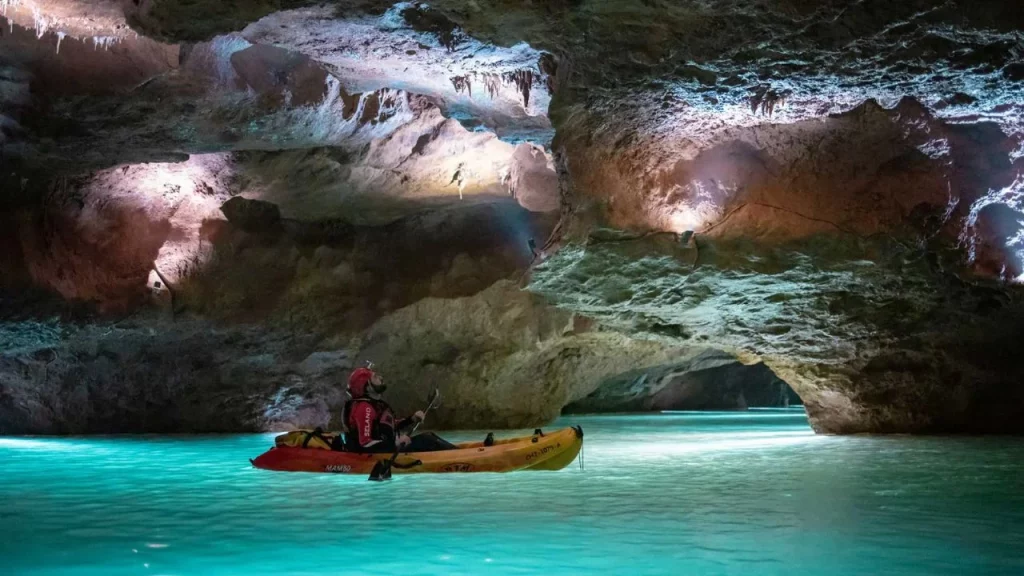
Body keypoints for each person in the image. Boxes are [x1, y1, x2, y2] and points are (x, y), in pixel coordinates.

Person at [343, 366, 423, 453]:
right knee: (428, 442)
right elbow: (365, 444)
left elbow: (387, 425)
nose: (380, 378)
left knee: (427, 439)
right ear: (367, 386)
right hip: (377, 455)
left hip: (386, 448)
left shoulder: (373, 404)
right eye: (375, 377)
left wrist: (411, 419)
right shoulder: (365, 408)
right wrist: (396, 443)